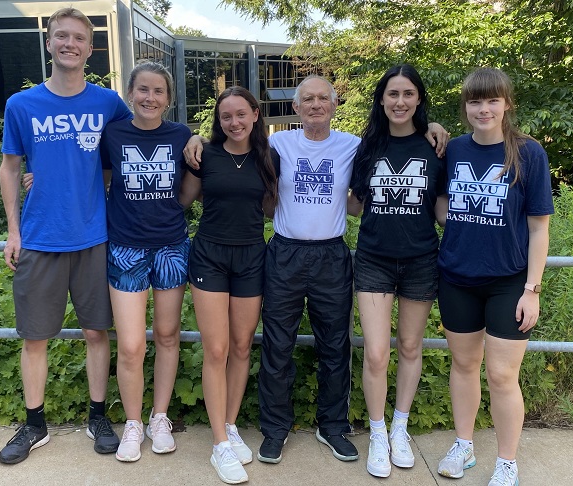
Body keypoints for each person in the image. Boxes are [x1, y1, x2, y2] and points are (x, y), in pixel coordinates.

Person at [184, 75, 449, 466]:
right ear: (295, 107)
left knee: (335, 345)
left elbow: (394, 143)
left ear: (335, 104)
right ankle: (274, 430)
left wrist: (432, 127)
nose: (315, 105)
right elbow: (230, 145)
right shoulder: (275, 143)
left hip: (331, 256)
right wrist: (195, 139)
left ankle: (333, 427)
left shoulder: (355, 146)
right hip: (285, 254)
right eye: (306, 99)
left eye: (323, 98)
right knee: (277, 346)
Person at [0, 7, 131, 464]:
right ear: (49, 43)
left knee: (98, 332)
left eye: (79, 38)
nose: (70, 43)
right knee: (35, 338)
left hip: (94, 237)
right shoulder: (23, 106)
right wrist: (13, 230)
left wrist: (192, 140)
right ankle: (34, 425)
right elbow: (11, 166)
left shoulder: (109, 103)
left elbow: (136, 143)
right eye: (62, 36)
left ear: (90, 49)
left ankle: (98, 415)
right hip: (38, 238)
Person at [435, 67, 553, 486]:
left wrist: (532, 289)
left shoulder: (528, 152)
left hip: (509, 281)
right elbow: (443, 204)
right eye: (474, 101)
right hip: (456, 277)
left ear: (506, 104)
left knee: (502, 375)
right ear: (465, 106)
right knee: (463, 364)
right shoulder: (454, 150)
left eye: (492, 100)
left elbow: (539, 227)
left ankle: (506, 462)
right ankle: (463, 444)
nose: (483, 109)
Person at [347, 64, 447, 478]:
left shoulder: (438, 146)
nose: (400, 101)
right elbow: (354, 203)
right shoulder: (367, 146)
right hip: (373, 258)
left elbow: (441, 209)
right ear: (382, 100)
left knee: (410, 347)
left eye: (408, 94)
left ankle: (400, 428)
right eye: (392, 94)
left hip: (422, 260)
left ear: (419, 99)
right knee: (375, 352)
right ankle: (377, 433)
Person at [180, 86, 278, 484]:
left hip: (252, 256)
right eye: (226, 117)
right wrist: (191, 138)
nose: (234, 122)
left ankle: (231, 424)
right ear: (217, 122)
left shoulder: (270, 158)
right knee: (216, 349)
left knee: (241, 346)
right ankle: (220, 443)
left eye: (241, 114)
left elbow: (271, 208)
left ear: (255, 114)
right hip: (210, 257)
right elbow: (181, 202)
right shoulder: (205, 155)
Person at [100, 62, 192, 462]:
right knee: (132, 344)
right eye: (142, 90)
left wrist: (174, 211)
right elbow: (97, 178)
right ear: (130, 94)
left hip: (171, 246)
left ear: (168, 99)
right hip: (125, 247)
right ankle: (133, 424)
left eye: (158, 91)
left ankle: (159, 417)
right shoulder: (113, 133)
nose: (150, 98)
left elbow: (192, 184)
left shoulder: (182, 136)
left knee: (168, 335)